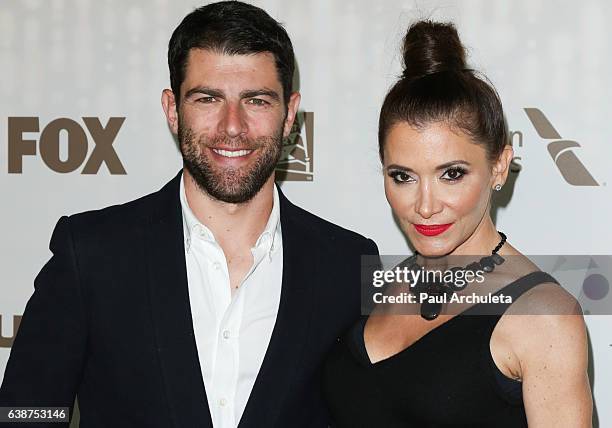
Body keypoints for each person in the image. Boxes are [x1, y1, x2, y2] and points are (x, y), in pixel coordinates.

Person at [0, 2, 378, 427]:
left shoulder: (347, 264)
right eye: (207, 99)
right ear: (172, 109)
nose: (232, 126)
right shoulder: (92, 253)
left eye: (256, 100)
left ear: (289, 114)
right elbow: (24, 413)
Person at [323, 21, 592, 427]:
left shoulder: (543, 317)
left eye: (451, 174)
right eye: (403, 176)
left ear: (499, 166)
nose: (425, 206)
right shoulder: (378, 285)